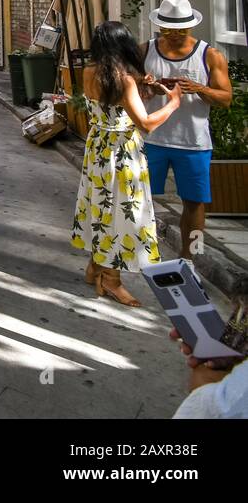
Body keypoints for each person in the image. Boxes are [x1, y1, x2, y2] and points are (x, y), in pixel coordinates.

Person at [71, 21, 182, 307]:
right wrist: (173, 103)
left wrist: (144, 85)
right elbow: (145, 123)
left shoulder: (90, 72)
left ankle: (96, 265)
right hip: (121, 151)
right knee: (125, 213)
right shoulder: (124, 80)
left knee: (101, 206)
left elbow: (111, 101)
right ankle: (112, 279)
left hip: (97, 147)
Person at [142, 0, 233, 259]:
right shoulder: (145, 50)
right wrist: (145, 85)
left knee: (194, 203)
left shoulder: (210, 55)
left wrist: (200, 89)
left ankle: (190, 257)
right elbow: (129, 87)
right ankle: (141, 252)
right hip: (153, 138)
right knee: (140, 197)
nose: (172, 35)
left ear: (189, 27)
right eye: (167, 30)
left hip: (193, 142)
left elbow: (226, 99)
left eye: (179, 30)